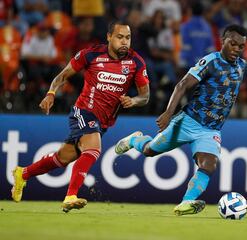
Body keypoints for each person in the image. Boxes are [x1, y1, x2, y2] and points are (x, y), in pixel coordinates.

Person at [114, 24, 247, 216]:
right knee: (150, 151)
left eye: (241, 47)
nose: (236, 49)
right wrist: (168, 113)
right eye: (233, 44)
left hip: (210, 130)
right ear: (223, 41)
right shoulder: (210, 62)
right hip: (187, 121)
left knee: (209, 165)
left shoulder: (240, 65)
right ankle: (134, 139)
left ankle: (186, 202)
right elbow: (182, 85)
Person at [11, 21, 150, 212]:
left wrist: (134, 101)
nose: (124, 42)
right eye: (119, 37)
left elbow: (145, 96)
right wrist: (51, 93)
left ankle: (23, 173)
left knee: (63, 158)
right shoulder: (90, 54)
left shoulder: (136, 62)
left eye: (128, 37)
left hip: (104, 121)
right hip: (83, 111)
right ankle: (70, 196)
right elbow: (62, 75)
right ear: (109, 37)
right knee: (94, 148)